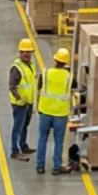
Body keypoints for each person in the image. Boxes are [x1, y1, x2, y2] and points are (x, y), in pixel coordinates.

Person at [33, 46, 73, 175]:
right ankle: (57, 166)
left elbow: (39, 88)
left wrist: (37, 107)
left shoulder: (45, 73)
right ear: (66, 63)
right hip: (60, 114)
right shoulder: (69, 77)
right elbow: (76, 88)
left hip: (45, 111)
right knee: (59, 140)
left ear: (55, 60)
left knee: (42, 138)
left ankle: (40, 166)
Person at [5, 38, 39, 158]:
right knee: (18, 127)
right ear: (20, 52)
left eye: (28, 52)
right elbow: (12, 86)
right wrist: (19, 99)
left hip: (28, 102)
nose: (26, 54)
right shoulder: (16, 67)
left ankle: (23, 145)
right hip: (20, 104)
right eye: (23, 51)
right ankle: (15, 151)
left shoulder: (32, 65)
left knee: (25, 125)